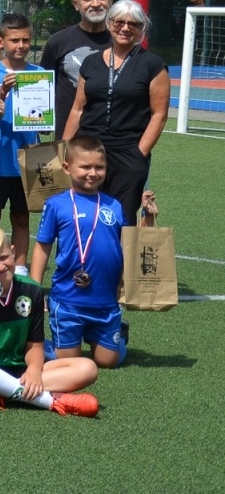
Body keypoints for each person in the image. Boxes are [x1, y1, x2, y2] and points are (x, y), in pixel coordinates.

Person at [0, 220, 99, 416]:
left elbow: (34, 345)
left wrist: (34, 371)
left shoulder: (32, 290)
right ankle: (38, 396)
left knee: (88, 368)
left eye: (4, 257)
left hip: (19, 369)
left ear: (13, 252)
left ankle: (1, 390)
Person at [31, 136, 153, 368]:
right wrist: (35, 287)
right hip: (68, 298)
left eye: (99, 167)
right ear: (66, 167)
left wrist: (148, 216)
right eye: (85, 167)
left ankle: (120, 333)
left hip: (105, 299)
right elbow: (42, 246)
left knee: (108, 361)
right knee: (68, 362)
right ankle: (33, 345)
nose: (93, 173)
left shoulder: (113, 205)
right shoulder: (56, 204)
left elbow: (134, 243)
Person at [65, 0, 170, 226]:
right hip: (89, 150)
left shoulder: (153, 65)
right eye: (119, 22)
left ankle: (119, 253)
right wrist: (64, 148)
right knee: (81, 214)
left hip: (128, 153)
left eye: (133, 24)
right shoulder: (91, 62)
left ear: (141, 29)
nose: (125, 28)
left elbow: (159, 115)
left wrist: (139, 153)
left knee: (121, 219)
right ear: (109, 24)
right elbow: (78, 108)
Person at [0, 13, 44, 257]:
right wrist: (1, 95)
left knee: (21, 217)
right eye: (14, 40)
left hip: (26, 162)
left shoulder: (39, 74)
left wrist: (44, 117)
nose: (21, 45)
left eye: (26, 40)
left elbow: (46, 126)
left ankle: (20, 267)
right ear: (0, 42)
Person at [40, 0, 114, 138]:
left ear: (111, 0)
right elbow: (44, 86)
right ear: (76, 4)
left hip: (112, 136)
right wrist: (40, 121)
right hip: (69, 135)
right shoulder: (58, 42)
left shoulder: (122, 42)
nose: (95, 3)